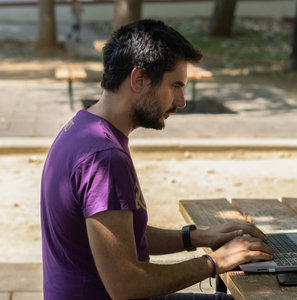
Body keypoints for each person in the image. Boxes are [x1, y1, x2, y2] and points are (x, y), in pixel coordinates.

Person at [40, 19, 274, 300]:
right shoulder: (104, 158)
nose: (181, 101)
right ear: (139, 79)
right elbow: (126, 285)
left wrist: (197, 237)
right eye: (175, 85)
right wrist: (215, 262)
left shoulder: (82, 128)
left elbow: (119, 234)